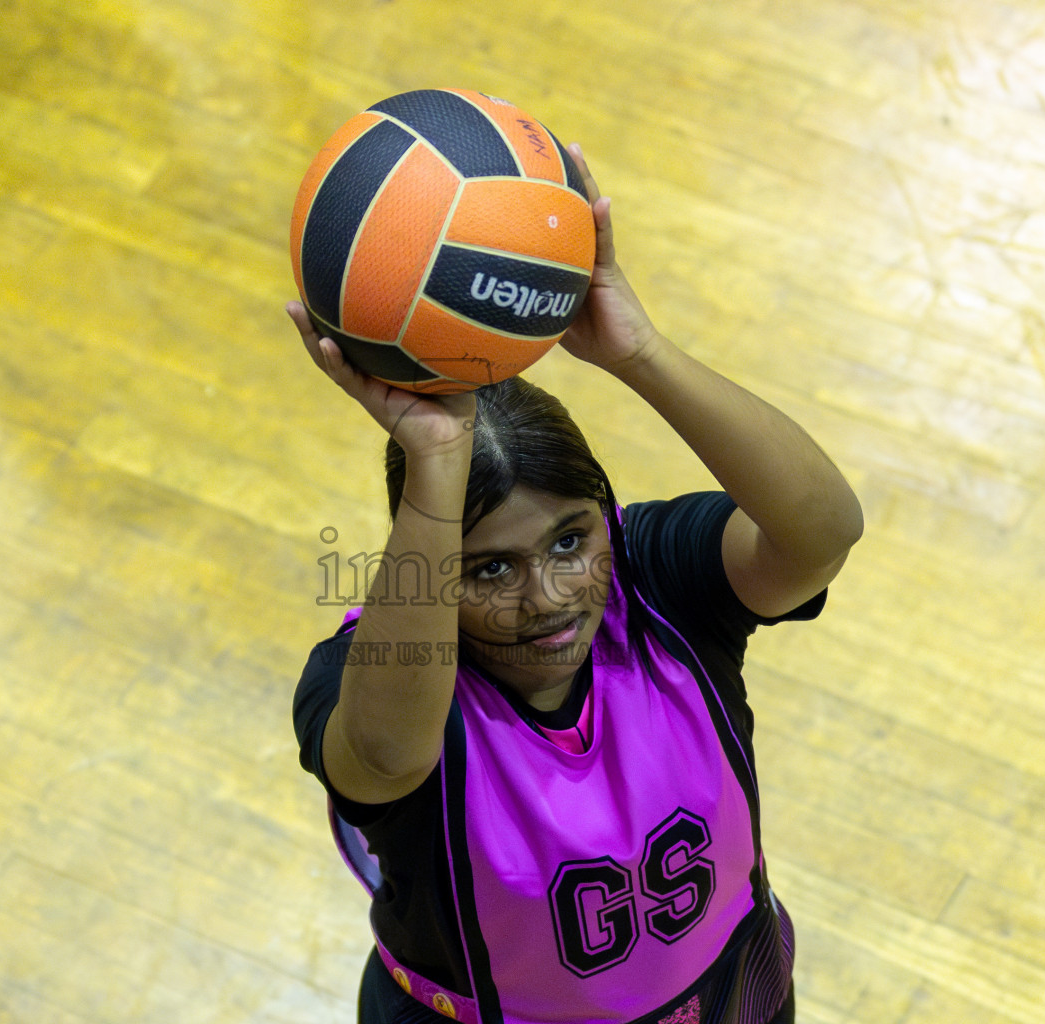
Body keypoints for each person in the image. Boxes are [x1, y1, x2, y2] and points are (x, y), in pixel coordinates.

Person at [288, 144, 863, 1024]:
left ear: (608, 514)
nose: (549, 596)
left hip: (733, 998)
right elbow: (390, 757)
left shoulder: (658, 579)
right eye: (488, 568)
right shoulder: (374, 677)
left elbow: (822, 533)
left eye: (570, 541)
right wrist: (436, 454)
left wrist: (640, 352)